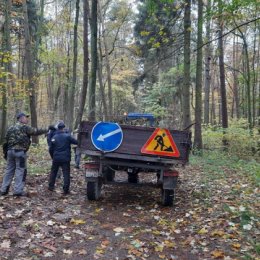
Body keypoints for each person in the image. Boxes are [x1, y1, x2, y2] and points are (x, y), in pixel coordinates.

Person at [0, 112, 53, 196]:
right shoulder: (24, 127)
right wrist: (48, 129)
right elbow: (36, 131)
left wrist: (5, 153)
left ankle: (3, 190)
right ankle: (17, 191)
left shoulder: (10, 128)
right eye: (25, 117)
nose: (27, 119)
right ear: (20, 119)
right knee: (20, 170)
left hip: (10, 152)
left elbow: (6, 140)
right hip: (20, 152)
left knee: (9, 171)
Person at [48, 122, 78, 195]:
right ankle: (66, 189)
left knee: (53, 172)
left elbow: (50, 148)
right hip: (65, 158)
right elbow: (76, 142)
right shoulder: (67, 136)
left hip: (56, 158)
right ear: (64, 128)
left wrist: (53, 156)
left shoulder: (54, 137)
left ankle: (51, 187)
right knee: (66, 173)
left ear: (58, 128)